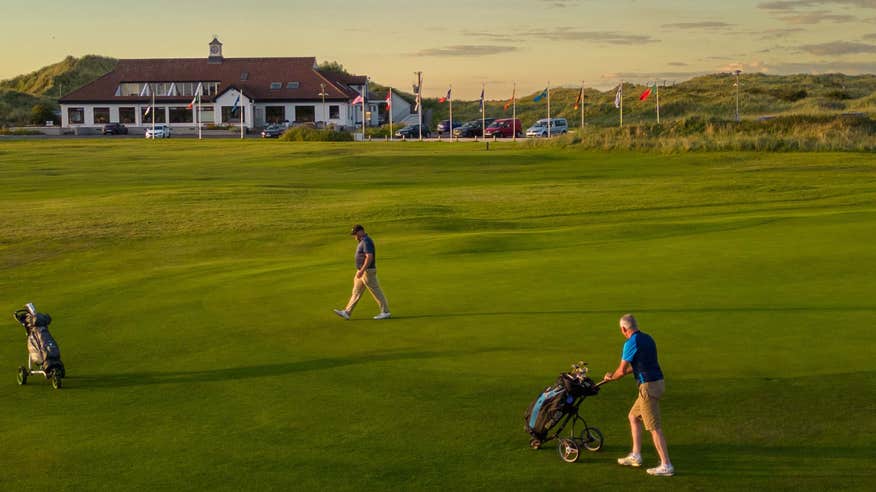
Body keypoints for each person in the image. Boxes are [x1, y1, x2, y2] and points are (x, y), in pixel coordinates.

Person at [603, 314, 674, 477]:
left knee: (654, 428)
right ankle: (636, 455)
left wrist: (611, 377)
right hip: (657, 383)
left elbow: (621, 370)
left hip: (648, 387)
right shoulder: (648, 338)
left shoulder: (630, 343)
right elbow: (637, 366)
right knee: (633, 416)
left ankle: (666, 464)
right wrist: (616, 374)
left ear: (623, 329)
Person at [333, 224, 391, 320]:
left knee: (376, 291)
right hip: (362, 271)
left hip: (367, 271)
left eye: (355, 234)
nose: (355, 236)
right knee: (356, 292)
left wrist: (362, 270)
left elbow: (369, 257)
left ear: (361, 231)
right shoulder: (362, 241)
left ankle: (385, 312)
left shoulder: (366, 241)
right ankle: (347, 312)